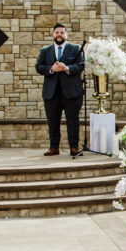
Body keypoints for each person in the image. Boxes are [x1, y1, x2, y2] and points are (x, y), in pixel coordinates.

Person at [35, 23, 84, 157]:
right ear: (53, 34)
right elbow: (39, 67)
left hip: (71, 92)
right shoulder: (45, 50)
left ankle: (74, 147)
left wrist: (67, 68)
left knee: (73, 121)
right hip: (51, 93)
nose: (59, 35)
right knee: (53, 121)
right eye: (57, 32)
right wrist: (52, 69)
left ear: (66, 35)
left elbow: (80, 65)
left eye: (62, 32)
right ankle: (54, 147)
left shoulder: (76, 49)